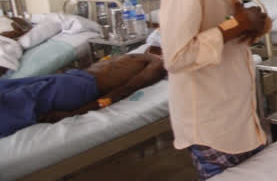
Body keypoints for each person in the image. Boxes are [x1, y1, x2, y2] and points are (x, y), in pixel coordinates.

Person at [160, 0, 272, 181]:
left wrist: (255, 24)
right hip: (212, 126)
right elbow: (177, 56)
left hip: (236, 114)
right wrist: (236, 25)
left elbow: (229, 30)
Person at [0, 53, 166, 138]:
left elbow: (127, 89)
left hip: (72, 86)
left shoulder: (152, 62)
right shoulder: (142, 58)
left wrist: (82, 110)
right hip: (66, 83)